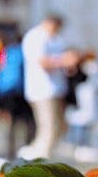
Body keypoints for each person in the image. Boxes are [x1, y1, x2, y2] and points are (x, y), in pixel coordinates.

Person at [19, 14, 76, 159]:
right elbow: (43, 62)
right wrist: (63, 61)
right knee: (48, 126)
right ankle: (41, 158)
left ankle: (37, 154)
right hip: (41, 90)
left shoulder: (56, 39)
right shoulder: (35, 37)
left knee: (58, 127)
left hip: (56, 89)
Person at [0, 35, 34, 158]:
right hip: (20, 92)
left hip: (4, 91)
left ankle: (9, 151)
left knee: (9, 121)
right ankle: (26, 147)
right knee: (27, 122)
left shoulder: (5, 52)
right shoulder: (23, 52)